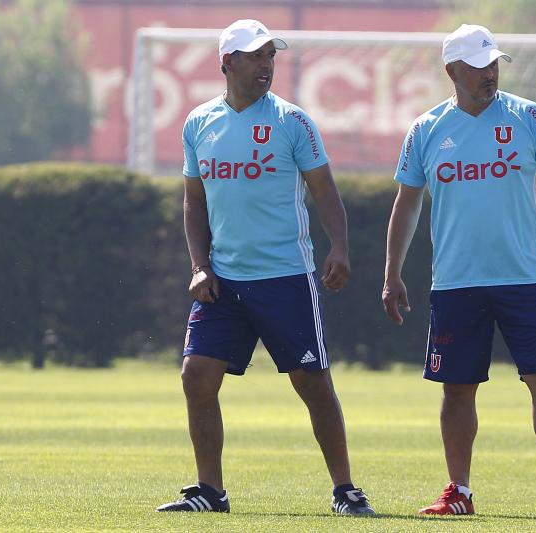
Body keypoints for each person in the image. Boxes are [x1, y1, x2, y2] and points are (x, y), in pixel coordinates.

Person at [157, 19, 375, 516]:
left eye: (270, 56)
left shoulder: (292, 121)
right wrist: (199, 265)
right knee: (196, 376)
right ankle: (210, 491)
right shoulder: (198, 123)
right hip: (225, 283)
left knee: (313, 383)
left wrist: (339, 248)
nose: (266, 65)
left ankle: (346, 489)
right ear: (226, 62)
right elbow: (194, 202)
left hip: (286, 279)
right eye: (255, 56)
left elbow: (325, 191)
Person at [382, 24, 536, 516]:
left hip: (525, 279)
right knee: (457, 387)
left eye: (494, 63)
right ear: (452, 71)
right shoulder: (425, 130)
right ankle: (459, 492)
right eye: (479, 65)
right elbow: (406, 206)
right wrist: (392, 272)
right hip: (456, 283)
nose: (490, 73)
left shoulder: (528, 117)